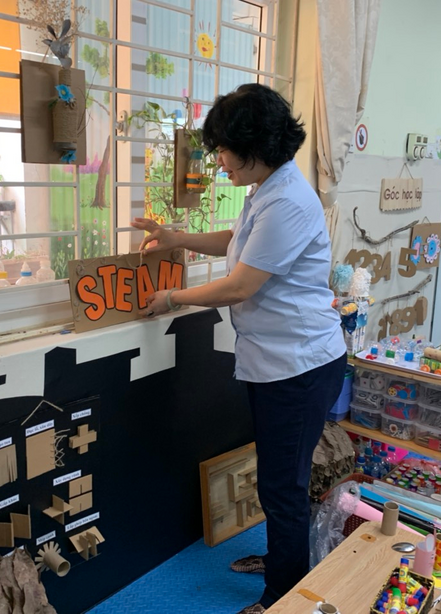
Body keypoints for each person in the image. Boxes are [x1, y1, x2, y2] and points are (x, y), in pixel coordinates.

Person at [131, 83, 347, 614]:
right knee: (278, 477)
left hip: (298, 366)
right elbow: (237, 241)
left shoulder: (289, 200)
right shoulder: (268, 190)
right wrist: (179, 238)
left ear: (256, 146)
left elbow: (240, 285)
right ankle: (282, 561)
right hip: (276, 362)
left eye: (225, 149)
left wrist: (172, 298)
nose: (219, 160)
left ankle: (282, 595)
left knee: (282, 485)